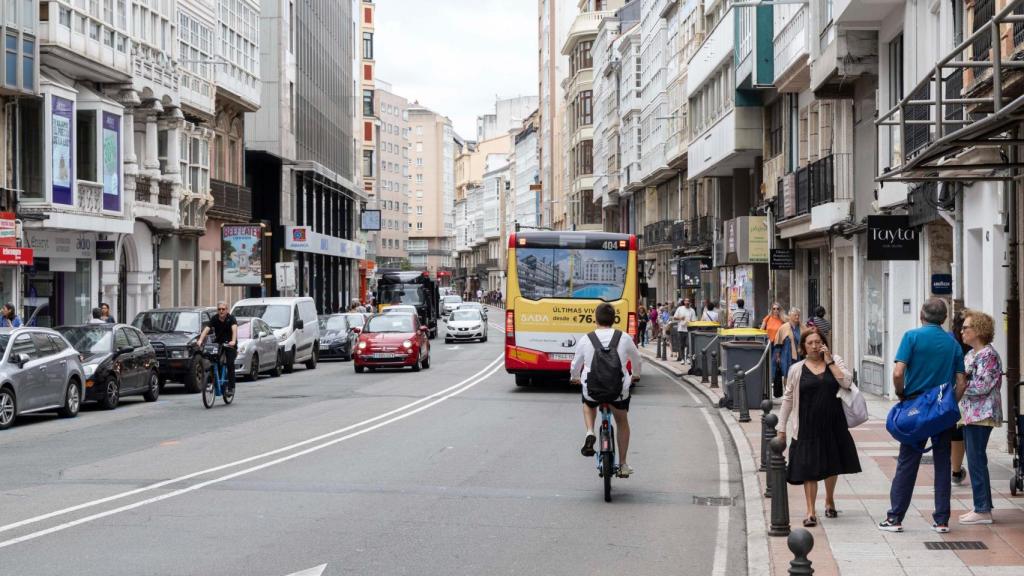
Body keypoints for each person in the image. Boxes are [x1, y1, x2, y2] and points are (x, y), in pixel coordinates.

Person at [879, 298, 967, 534]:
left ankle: (895, 517)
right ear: (944, 318)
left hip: (915, 406)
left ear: (921, 315)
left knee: (907, 461)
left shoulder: (912, 337)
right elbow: (961, 382)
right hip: (941, 410)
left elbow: (899, 372)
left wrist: (901, 393)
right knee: (942, 463)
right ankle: (941, 520)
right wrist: (950, 404)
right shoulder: (953, 344)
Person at [778, 330, 861, 527]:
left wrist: (830, 361)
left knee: (832, 463)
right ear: (804, 347)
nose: (815, 346)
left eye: (818, 342)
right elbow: (788, 398)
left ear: (824, 344)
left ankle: (829, 499)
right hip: (807, 424)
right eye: (810, 343)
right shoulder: (797, 369)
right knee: (809, 467)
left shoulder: (835, 362)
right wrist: (781, 426)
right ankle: (810, 511)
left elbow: (847, 382)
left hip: (833, 422)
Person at [570, 302, 642, 478]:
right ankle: (623, 464)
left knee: (588, 404)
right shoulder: (624, 337)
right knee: (622, 421)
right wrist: (635, 375)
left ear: (595, 319)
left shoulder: (587, 338)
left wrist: (574, 377)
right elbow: (637, 360)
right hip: (618, 390)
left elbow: (576, 364)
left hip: (593, 389)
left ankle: (590, 431)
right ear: (614, 319)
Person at [957, 309, 1003, 525]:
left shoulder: (988, 356)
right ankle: (982, 506)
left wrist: (959, 386)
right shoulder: (970, 354)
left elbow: (983, 386)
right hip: (970, 413)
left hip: (982, 413)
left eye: (966, 327)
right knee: (976, 459)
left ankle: (982, 510)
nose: (962, 331)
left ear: (979, 330)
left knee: (976, 460)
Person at [197, 302, 239, 393]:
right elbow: (206, 329)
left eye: (223, 309)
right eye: (219, 309)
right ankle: (213, 381)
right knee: (214, 361)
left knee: (230, 363)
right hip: (219, 344)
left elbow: (234, 329)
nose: (221, 311)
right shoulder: (215, 318)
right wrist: (200, 340)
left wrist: (233, 341)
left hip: (230, 344)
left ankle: (231, 387)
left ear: (227, 310)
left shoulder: (231, 319)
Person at [949, 310, 971, 486]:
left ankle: (954, 470)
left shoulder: (949, 341)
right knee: (958, 434)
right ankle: (955, 471)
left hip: (950, 393)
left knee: (953, 433)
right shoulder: (974, 346)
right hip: (966, 395)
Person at [761, 303, 786, 395]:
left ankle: (771, 381)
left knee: (774, 362)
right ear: (771, 309)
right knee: (766, 363)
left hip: (777, 344)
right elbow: (761, 330)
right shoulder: (767, 318)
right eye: (774, 309)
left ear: (780, 310)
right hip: (768, 343)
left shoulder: (783, 320)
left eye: (777, 309)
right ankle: (767, 382)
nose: (776, 310)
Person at [775, 308, 803, 382]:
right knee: (787, 374)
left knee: (799, 375)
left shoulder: (803, 327)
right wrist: (778, 357)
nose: (797, 317)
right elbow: (778, 343)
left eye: (798, 315)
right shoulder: (783, 328)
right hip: (786, 355)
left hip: (800, 355)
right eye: (795, 315)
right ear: (790, 316)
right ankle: (788, 392)